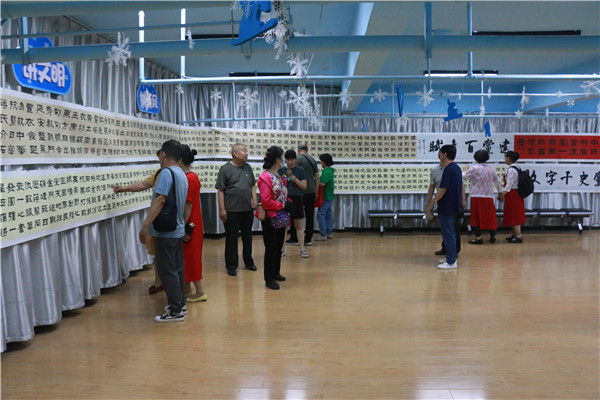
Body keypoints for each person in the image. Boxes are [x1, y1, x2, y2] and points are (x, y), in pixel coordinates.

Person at [138, 140, 188, 322]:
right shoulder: (181, 173)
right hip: (177, 228)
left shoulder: (166, 173)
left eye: (160, 154)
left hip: (166, 231)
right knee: (177, 269)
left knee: (167, 271)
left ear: (164, 154)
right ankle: (180, 303)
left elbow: (160, 200)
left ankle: (175, 312)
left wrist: (145, 225)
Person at [113, 150, 164, 295]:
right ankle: (159, 282)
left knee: (169, 254)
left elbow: (161, 199)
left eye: (161, 157)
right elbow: (143, 184)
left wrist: (146, 225)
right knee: (158, 254)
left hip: (169, 220)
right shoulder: (159, 173)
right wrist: (124, 188)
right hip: (158, 219)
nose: (160, 160)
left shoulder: (174, 174)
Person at [215, 143, 258, 276]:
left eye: (247, 150)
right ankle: (231, 265)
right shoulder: (225, 169)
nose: (247, 153)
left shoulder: (247, 167)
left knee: (248, 237)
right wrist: (222, 209)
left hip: (247, 210)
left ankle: (249, 262)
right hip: (231, 210)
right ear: (235, 153)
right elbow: (220, 190)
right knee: (231, 239)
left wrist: (255, 199)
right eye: (244, 150)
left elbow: (252, 186)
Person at [257, 146, 292, 290]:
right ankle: (269, 278)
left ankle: (276, 272)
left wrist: (287, 203)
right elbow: (266, 201)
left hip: (280, 216)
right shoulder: (265, 177)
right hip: (270, 216)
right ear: (277, 159)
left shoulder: (278, 174)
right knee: (271, 247)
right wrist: (281, 205)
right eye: (282, 157)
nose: (283, 160)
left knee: (278, 246)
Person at [425, 145, 463, 270]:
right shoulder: (456, 168)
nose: (439, 154)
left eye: (440, 152)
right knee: (450, 232)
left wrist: (432, 203)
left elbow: (442, 189)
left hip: (447, 206)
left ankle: (451, 262)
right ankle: (450, 257)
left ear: (445, 154)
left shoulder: (448, 169)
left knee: (448, 233)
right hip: (453, 205)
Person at [180, 146, 207, 302]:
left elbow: (188, 204)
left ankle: (200, 291)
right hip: (193, 220)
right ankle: (187, 289)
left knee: (192, 257)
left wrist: (182, 225)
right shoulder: (190, 176)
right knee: (187, 255)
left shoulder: (189, 178)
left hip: (190, 222)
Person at [462, 149, 503, 244]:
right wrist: (500, 192)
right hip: (488, 196)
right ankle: (492, 236)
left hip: (476, 196)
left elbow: (463, 176)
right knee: (490, 217)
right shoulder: (491, 169)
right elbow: (497, 181)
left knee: (475, 217)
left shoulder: (474, 168)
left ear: (475, 158)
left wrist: (465, 170)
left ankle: (478, 238)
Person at [279, 150, 309, 258]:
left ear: (295, 160)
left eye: (292, 160)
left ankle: (302, 248)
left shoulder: (300, 170)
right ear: (285, 160)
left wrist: (294, 178)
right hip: (284, 199)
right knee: (283, 226)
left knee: (299, 226)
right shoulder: (281, 170)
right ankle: (281, 249)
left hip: (297, 199)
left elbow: (304, 187)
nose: (290, 162)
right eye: (288, 160)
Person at [290, 143, 319, 247]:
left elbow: (293, 174)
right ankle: (308, 239)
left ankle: (294, 238)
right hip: (311, 191)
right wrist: (316, 191)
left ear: (298, 150)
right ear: (307, 149)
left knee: (296, 215)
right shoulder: (312, 160)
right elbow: (317, 176)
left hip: (300, 192)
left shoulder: (298, 159)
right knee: (310, 215)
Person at [499, 150, 526, 243]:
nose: (505, 159)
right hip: (515, 194)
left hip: (513, 194)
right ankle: (514, 234)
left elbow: (509, 184)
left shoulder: (511, 170)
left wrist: (502, 194)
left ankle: (518, 236)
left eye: (505, 157)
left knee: (515, 215)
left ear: (509, 158)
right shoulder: (517, 167)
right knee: (513, 214)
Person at [314, 153, 335, 241]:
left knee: (321, 214)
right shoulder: (330, 171)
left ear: (324, 162)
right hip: (329, 195)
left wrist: (315, 181)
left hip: (325, 196)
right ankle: (329, 232)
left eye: (321, 161)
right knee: (328, 214)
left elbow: (322, 184)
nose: (320, 163)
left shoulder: (327, 172)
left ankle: (323, 234)